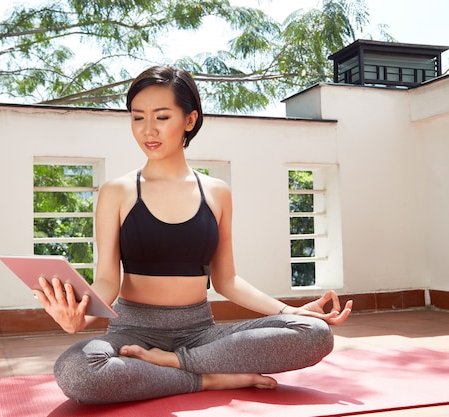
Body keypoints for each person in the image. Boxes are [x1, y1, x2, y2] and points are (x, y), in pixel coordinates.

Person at [33, 65, 353, 404]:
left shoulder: (216, 192)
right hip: (132, 334)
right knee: (77, 371)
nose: (148, 129)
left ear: (189, 120)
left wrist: (289, 311)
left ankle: (176, 365)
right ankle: (206, 379)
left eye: (162, 117)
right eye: (137, 117)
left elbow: (227, 280)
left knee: (315, 333)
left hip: (200, 333)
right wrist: (79, 316)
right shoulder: (117, 191)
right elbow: (108, 282)